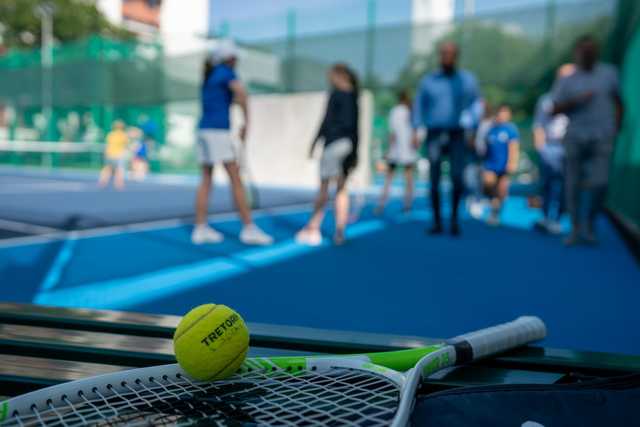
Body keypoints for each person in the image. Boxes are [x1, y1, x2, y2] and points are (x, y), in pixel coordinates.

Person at [192, 40, 273, 246]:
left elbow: (228, 98)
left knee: (206, 180)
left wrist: (236, 106)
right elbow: (242, 94)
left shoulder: (211, 75)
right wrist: (247, 123)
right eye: (235, 57)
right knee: (235, 179)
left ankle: (200, 228)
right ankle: (249, 228)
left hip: (203, 130)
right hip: (218, 132)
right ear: (229, 58)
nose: (237, 60)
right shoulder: (226, 73)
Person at [551, 35, 623, 246]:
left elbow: (619, 102)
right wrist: (576, 101)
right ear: (577, 53)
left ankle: (590, 224)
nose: (588, 53)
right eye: (584, 50)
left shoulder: (609, 74)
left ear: (597, 52)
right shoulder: (566, 80)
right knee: (572, 184)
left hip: (602, 137)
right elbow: (554, 109)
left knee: (600, 183)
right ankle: (575, 227)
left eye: (592, 49)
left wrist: (616, 127)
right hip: (575, 137)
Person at [412, 41, 480, 236]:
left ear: (456, 56)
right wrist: (416, 130)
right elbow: (419, 105)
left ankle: (454, 220)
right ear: (439, 56)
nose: (447, 57)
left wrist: (473, 128)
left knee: (457, 177)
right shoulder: (429, 81)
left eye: (451, 53)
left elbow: (476, 104)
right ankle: (436, 222)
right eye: (444, 53)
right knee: (434, 179)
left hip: (457, 134)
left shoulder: (467, 80)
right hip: (434, 134)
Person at [295, 63, 360, 246]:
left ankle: (313, 229)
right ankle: (340, 232)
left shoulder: (336, 94)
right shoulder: (354, 96)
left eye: (331, 75)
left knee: (324, 187)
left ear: (340, 75)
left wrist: (314, 143)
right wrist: (354, 153)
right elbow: (356, 128)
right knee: (341, 188)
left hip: (334, 145)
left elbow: (326, 121)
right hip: (347, 145)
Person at [532, 64, 575, 234]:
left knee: (566, 185)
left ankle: (557, 218)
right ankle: (545, 217)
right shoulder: (546, 100)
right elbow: (539, 125)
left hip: (569, 147)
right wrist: (540, 148)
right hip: (549, 147)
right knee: (546, 183)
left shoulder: (577, 100)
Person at [375, 90, 418, 214]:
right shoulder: (411, 111)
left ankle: (381, 205)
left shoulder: (396, 111)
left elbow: (392, 133)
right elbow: (416, 131)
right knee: (408, 178)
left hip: (397, 149)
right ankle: (407, 206)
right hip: (407, 149)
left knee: (389, 178)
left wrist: (390, 149)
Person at [482, 105, 520, 226]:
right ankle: (493, 203)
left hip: (504, 165)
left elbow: (514, 147)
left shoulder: (511, 130)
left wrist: (512, 162)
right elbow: (485, 146)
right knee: (488, 183)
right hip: (491, 164)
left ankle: (496, 212)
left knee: (502, 190)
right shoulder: (490, 129)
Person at [98, 120, 129, 190]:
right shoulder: (123, 135)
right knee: (119, 170)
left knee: (107, 169)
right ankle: (119, 184)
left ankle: (102, 181)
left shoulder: (110, 134)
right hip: (118, 156)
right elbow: (126, 145)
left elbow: (107, 146)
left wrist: (106, 154)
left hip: (109, 155)